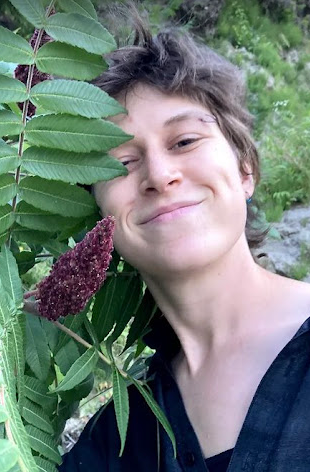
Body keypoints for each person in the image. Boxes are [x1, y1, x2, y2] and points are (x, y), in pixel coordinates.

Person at [58, 12, 310, 472]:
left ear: (245, 169)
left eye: (185, 141)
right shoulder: (114, 439)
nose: (158, 175)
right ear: (99, 217)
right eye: (122, 163)